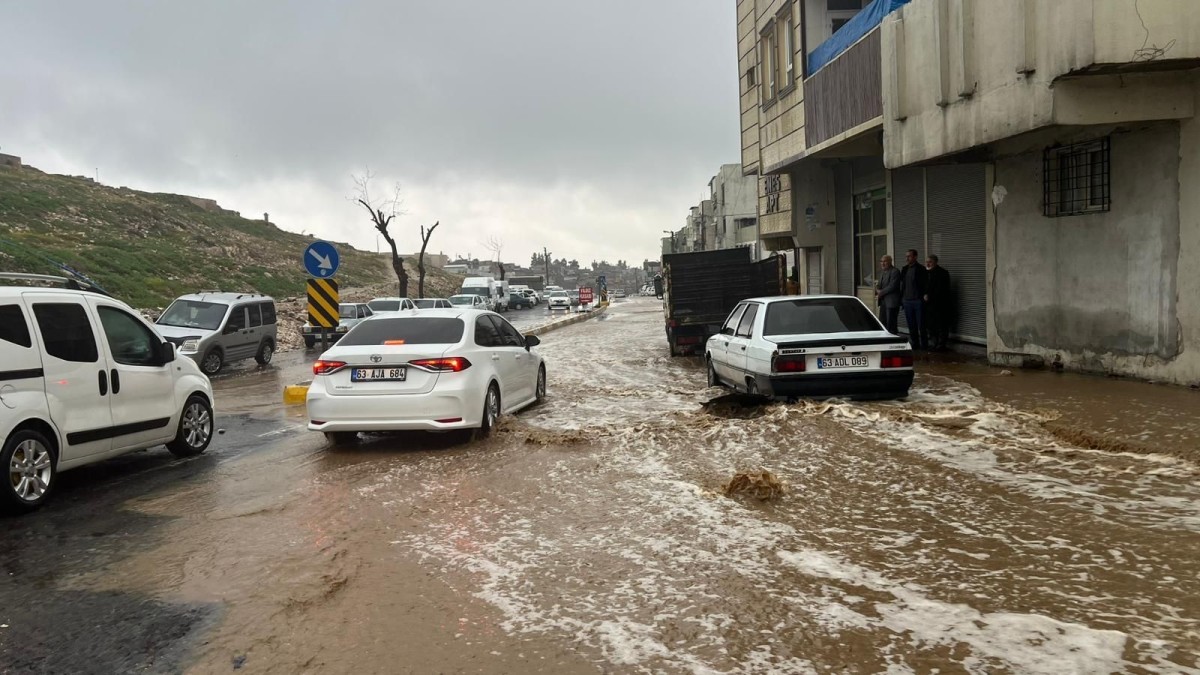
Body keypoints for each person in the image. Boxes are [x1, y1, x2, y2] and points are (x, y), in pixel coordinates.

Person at [900, 249, 929, 349]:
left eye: (909, 256)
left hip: (917, 301)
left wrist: (925, 294)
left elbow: (926, 283)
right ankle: (915, 343)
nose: (907, 258)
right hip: (907, 301)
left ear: (915, 257)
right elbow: (902, 285)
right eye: (906, 256)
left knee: (921, 324)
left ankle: (924, 344)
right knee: (911, 324)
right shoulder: (904, 269)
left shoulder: (921, 269)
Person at [924, 254, 952, 351]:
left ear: (935, 262)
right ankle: (933, 343)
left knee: (941, 325)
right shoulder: (926, 273)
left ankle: (941, 345)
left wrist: (929, 296)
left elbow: (942, 289)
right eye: (927, 262)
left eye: (930, 262)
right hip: (929, 305)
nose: (928, 263)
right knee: (931, 325)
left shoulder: (942, 273)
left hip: (940, 305)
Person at [874, 255, 901, 334]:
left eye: (885, 261)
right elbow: (879, 284)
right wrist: (877, 289)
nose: (882, 263)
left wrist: (881, 292)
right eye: (881, 261)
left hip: (891, 302)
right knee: (883, 322)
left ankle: (893, 340)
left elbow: (892, 286)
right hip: (883, 302)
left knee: (891, 324)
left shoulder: (895, 271)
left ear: (890, 261)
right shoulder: (882, 272)